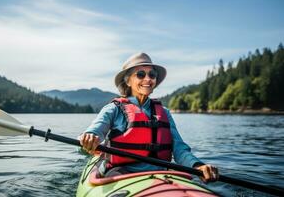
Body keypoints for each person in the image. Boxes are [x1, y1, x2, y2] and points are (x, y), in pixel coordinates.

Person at [79, 52, 219, 182]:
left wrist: (197, 165)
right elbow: (95, 131)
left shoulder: (164, 112)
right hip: (121, 173)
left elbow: (179, 149)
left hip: (161, 175)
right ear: (128, 81)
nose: (148, 79)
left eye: (152, 75)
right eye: (140, 74)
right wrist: (90, 137)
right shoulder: (114, 109)